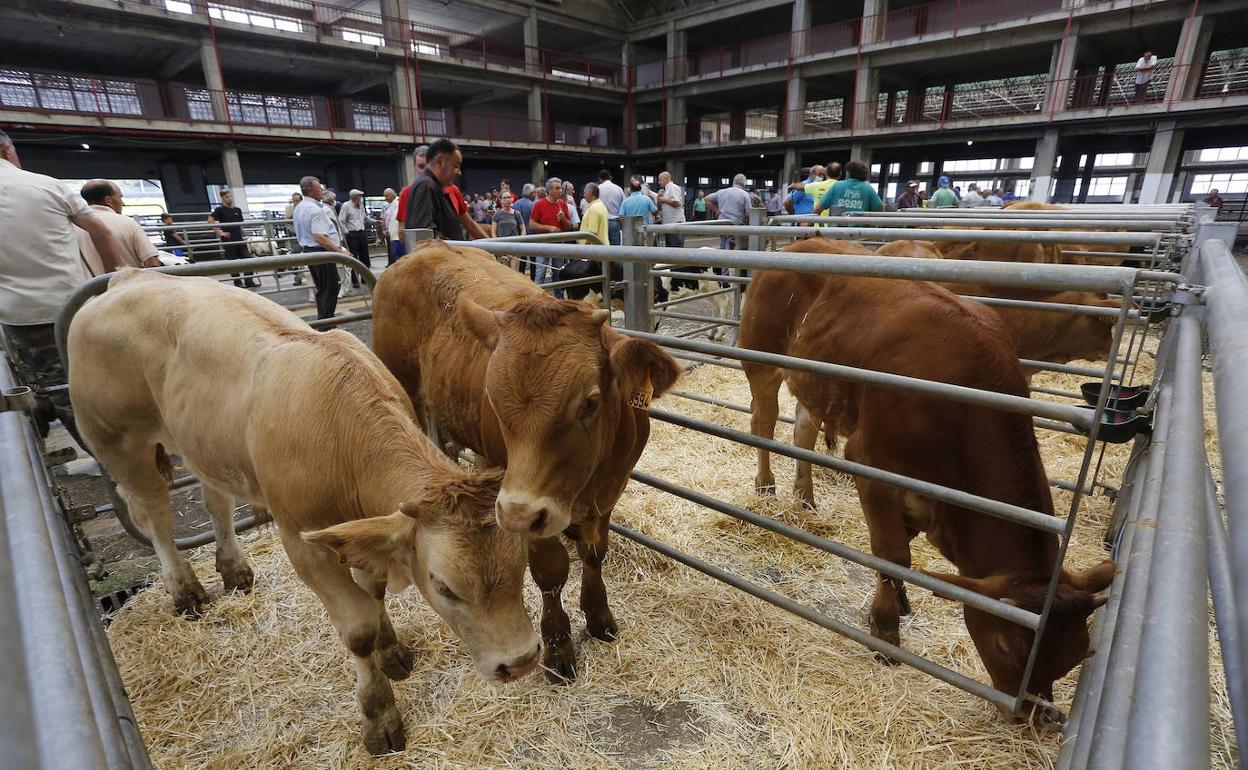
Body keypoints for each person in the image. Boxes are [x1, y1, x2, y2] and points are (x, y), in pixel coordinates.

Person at [0, 129, 120, 441]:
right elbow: (101, 231)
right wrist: (108, 281)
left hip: (19, 316)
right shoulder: (46, 184)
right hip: (73, 306)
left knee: (60, 391)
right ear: (7, 151)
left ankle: (106, 461)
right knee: (103, 377)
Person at [293, 175, 350, 319]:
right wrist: (338, 252)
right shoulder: (315, 209)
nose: (322, 191)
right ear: (311, 190)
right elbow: (319, 237)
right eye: (319, 188)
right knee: (330, 288)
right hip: (320, 252)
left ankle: (324, 320)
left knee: (322, 288)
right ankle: (326, 323)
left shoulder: (300, 207)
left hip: (310, 251)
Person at [77, 179, 162, 273]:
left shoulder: (74, 226)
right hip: (129, 285)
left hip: (89, 287)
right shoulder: (128, 223)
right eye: (120, 197)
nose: (122, 203)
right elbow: (152, 262)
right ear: (108, 200)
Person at [402, 138, 464, 240]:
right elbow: (425, 237)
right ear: (439, 162)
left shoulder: (431, 186)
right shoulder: (426, 186)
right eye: (455, 166)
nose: (459, 172)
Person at [529, 177, 573, 285]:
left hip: (559, 242)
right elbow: (532, 224)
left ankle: (559, 297)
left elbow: (569, 227)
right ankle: (537, 298)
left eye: (561, 188)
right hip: (543, 242)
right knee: (540, 272)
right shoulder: (539, 204)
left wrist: (562, 218)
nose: (561, 190)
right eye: (557, 188)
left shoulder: (563, 204)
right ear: (549, 190)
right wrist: (549, 228)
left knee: (558, 271)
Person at [209, 189, 255, 288]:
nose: (229, 199)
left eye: (230, 196)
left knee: (248, 260)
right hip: (229, 240)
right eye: (227, 197)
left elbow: (240, 223)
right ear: (223, 198)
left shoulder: (237, 210)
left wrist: (242, 232)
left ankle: (249, 281)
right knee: (233, 262)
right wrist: (220, 232)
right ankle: (237, 282)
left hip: (239, 238)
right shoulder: (219, 210)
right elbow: (210, 221)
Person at [706, 173, 753, 250]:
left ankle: (722, 258)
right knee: (732, 244)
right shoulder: (744, 194)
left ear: (733, 182)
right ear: (744, 183)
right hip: (735, 224)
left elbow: (707, 199)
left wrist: (717, 211)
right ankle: (728, 259)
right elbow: (749, 213)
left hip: (722, 222)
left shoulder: (722, 192)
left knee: (723, 241)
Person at [817, 161, 883, 214]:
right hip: (859, 229)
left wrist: (809, 224)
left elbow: (819, 208)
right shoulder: (868, 188)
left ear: (848, 173)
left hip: (836, 229)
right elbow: (880, 209)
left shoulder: (837, 186)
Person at [338, 188, 370, 290]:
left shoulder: (360, 206)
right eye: (359, 197)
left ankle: (365, 278)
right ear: (354, 198)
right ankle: (355, 279)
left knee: (364, 256)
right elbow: (341, 221)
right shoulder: (346, 206)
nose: (360, 199)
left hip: (361, 232)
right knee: (353, 257)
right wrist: (346, 232)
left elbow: (365, 217)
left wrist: (374, 221)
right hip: (352, 234)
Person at [490, 190, 527, 271]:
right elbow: (493, 232)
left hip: (515, 247)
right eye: (505, 198)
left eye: (509, 197)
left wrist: (521, 241)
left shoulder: (517, 213)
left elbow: (523, 229)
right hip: (502, 247)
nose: (507, 199)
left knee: (514, 272)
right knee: (505, 272)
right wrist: (498, 246)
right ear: (500, 200)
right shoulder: (496, 215)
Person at [395, 144, 428, 225]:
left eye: (429, 166)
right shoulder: (407, 193)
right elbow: (402, 230)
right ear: (415, 167)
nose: (425, 171)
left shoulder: (451, 190)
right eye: (421, 167)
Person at [656, 170, 686, 247]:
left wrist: (663, 199)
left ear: (666, 178)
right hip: (668, 222)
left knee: (675, 247)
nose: (659, 182)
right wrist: (659, 197)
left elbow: (677, 203)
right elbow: (659, 207)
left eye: (660, 180)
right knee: (669, 246)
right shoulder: (665, 190)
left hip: (675, 222)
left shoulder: (673, 188)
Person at [597, 169, 626, 244]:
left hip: (601, 222)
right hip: (615, 222)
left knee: (602, 246)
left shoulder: (597, 189)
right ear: (610, 177)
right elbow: (624, 205)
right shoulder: (618, 189)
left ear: (600, 179)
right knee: (615, 249)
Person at [579, 182, 609, 247]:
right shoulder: (601, 205)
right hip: (600, 247)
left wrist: (584, 248)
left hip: (593, 250)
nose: (584, 195)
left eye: (585, 193)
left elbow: (592, 233)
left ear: (590, 193)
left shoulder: (594, 208)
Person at [380, 187, 403, 265]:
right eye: (385, 196)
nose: (386, 198)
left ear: (393, 195)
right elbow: (386, 219)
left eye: (387, 196)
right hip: (390, 232)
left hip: (396, 234)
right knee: (392, 253)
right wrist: (385, 228)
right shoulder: (388, 205)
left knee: (396, 255)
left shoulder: (396, 205)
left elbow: (396, 221)